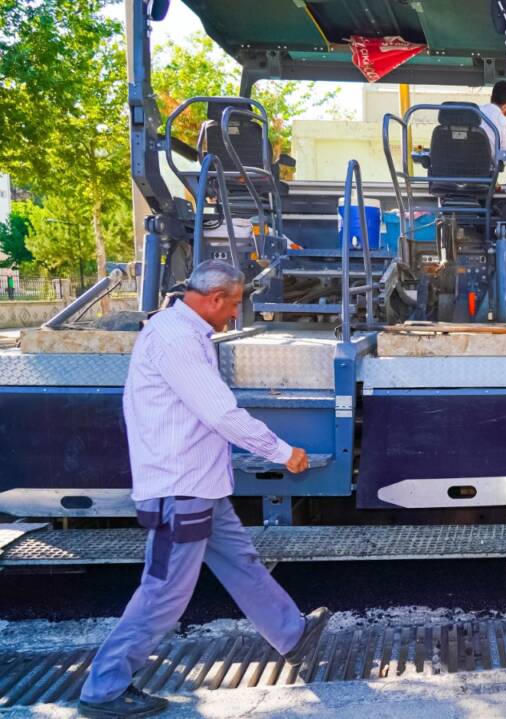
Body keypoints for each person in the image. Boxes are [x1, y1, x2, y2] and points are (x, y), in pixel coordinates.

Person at [79, 260, 330, 719]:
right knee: (163, 593)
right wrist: (281, 451)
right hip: (181, 489)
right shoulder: (176, 339)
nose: (235, 315)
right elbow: (221, 413)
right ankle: (105, 689)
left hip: (202, 485)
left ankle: (292, 634)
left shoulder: (185, 330)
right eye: (234, 305)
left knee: (242, 563)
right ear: (215, 299)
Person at [478, 80, 506, 160]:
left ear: (491, 98)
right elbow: (505, 156)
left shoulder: (474, 110)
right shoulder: (504, 122)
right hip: (484, 169)